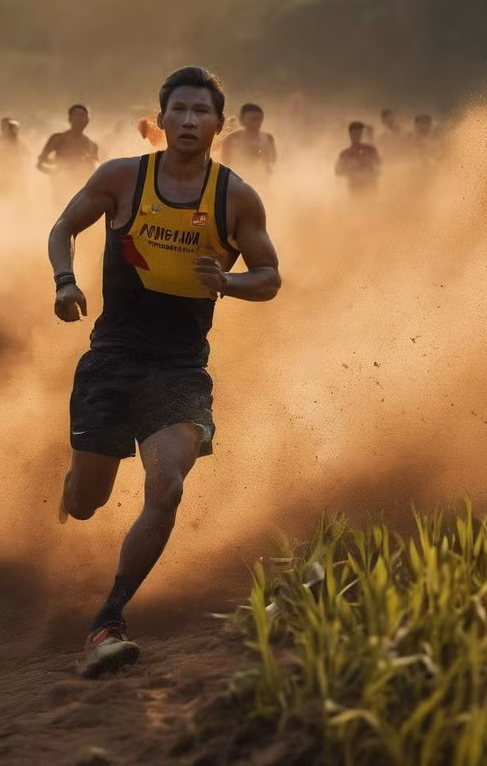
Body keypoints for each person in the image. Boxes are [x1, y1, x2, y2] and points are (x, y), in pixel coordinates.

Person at [48, 66, 281, 679]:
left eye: (200, 112)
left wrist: (227, 282)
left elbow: (270, 277)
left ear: (218, 125)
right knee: (89, 499)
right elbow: (63, 227)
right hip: (112, 358)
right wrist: (65, 280)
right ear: (161, 117)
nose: (187, 121)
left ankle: (110, 616)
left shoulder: (236, 197)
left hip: (180, 368)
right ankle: (71, 484)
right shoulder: (123, 177)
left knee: (168, 486)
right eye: (177, 110)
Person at [37, 104, 99, 175]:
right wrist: (56, 172)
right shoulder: (58, 139)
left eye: (83, 116)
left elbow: (95, 170)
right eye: (77, 116)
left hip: (83, 183)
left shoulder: (92, 145)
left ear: (87, 121)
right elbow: (40, 163)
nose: (80, 119)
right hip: (61, 183)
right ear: (70, 119)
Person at [220, 103, 277, 177]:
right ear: (242, 120)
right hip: (238, 178)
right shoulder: (231, 139)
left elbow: (272, 159)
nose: (256, 123)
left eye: (259, 119)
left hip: (262, 178)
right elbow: (225, 163)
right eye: (252, 119)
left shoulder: (268, 138)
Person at [335, 121, 381, 193]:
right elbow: (338, 171)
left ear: (363, 134)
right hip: (354, 189)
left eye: (359, 133)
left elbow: (379, 167)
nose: (356, 136)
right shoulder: (345, 153)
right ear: (350, 135)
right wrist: (354, 173)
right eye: (354, 134)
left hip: (371, 189)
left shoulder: (371, 150)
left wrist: (368, 173)